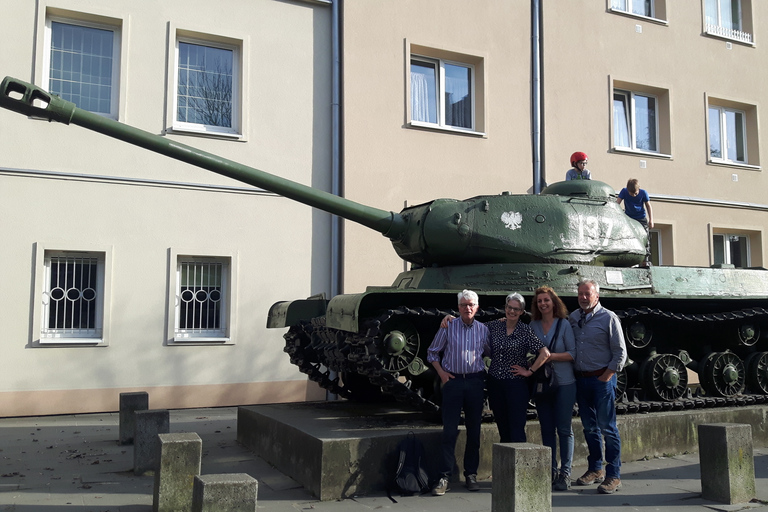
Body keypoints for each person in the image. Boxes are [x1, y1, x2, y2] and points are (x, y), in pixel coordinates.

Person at [440, 294, 549, 444]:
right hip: (495, 384)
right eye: (509, 307)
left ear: (522, 312)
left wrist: (529, 371)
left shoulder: (525, 331)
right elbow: (471, 325)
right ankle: (504, 467)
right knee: (503, 429)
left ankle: (517, 466)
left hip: (516, 384)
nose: (512, 311)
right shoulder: (494, 326)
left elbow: (545, 353)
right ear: (505, 308)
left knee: (517, 430)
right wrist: (449, 317)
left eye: (516, 309)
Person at [427, 290, 491, 496]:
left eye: (471, 304)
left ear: (477, 307)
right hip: (453, 382)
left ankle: (470, 474)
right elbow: (432, 352)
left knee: (474, 431)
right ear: (458, 307)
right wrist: (442, 374)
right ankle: (444, 476)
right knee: (449, 431)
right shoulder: (448, 326)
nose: (468, 308)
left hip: (474, 382)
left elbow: (490, 351)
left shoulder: (483, 329)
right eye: (464, 305)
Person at [569, 279, 627, 495]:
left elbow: (620, 352)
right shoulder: (574, 318)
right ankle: (595, 469)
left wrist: (607, 376)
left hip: (601, 379)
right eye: (581, 293)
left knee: (608, 428)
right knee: (589, 427)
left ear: (597, 295)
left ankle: (614, 475)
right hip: (581, 379)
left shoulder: (609, 318)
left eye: (588, 294)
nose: (584, 297)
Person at [529, 286, 577, 491]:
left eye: (546, 300)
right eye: (539, 301)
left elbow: (572, 354)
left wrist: (549, 357)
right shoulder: (533, 325)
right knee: (546, 428)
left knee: (564, 429)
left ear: (553, 302)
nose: (543, 304)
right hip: (543, 384)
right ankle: (550, 470)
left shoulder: (564, 324)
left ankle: (565, 472)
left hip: (564, 383)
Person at [617, 178, 654, 267]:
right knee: (627, 237)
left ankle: (645, 260)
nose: (633, 195)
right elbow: (617, 203)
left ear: (639, 189)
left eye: (635, 193)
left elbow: (648, 206)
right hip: (629, 218)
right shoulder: (624, 191)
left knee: (645, 238)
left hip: (641, 218)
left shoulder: (643, 193)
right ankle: (628, 259)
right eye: (631, 193)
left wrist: (651, 220)